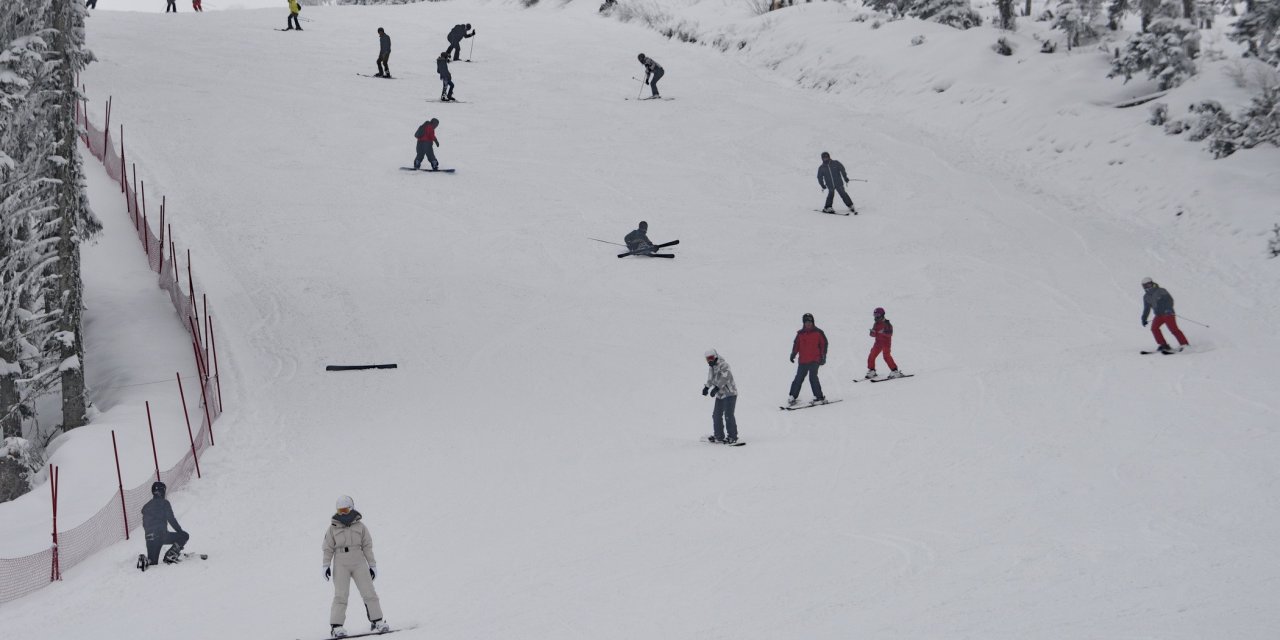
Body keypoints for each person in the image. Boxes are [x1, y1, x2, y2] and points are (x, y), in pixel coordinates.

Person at [323, 496, 390, 638]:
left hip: (359, 561)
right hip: (341, 563)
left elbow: (367, 546)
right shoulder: (333, 528)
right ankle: (336, 627)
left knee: (369, 592)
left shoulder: (360, 527)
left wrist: (372, 565)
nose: (342, 514)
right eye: (340, 511)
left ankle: (377, 621)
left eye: (345, 510)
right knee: (341, 595)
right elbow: (327, 548)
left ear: (351, 509)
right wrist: (326, 565)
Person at [138, 481, 189, 570]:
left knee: (153, 563)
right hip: (161, 535)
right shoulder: (164, 503)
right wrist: (180, 532)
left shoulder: (146, 506)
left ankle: (145, 561)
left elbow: (145, 525)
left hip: (149, 538)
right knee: (185, 536)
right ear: (162, 491)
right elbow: (171, 519)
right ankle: (171, 555)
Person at [788, 313, 828, 406]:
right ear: (804, 323)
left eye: (810, 322)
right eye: (806, 322)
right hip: (803, 360)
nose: (808, 323)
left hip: (815, 360)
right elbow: (796, 345)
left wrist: (823, 356)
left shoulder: (818, 332)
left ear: (813, 322)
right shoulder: (800, 334)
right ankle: (792, 396)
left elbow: (824, 344)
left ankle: (819, 397)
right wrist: (793, 354)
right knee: (798, 378)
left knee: (813, 377)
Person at [1141, 277, 1189, 353]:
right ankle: (1163, 345)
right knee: (1154, 328)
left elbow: (1170, 300)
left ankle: (1184, 344)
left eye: (1149, 284)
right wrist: (1144, 318)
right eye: (1145, 285)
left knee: (1173, 329)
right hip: (1158, 315)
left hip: (1168, 313)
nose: (1147, 287)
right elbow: (1146, 308)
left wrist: (1168, 309)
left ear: (1152, 283)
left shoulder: (1161, 290)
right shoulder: (1146, 296)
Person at [703, 350, 739, 444]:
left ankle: (732, 437)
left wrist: (716, 388)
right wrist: (706, 387)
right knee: (716, 415)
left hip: (730, 393)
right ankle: (718, 436)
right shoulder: (712, 367)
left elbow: (725, 378)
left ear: (715, 356)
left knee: (728, 415)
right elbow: (710, 378)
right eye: (707, 359)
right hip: (720, 395)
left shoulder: (724, 365)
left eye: (711, 358)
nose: (709, 361)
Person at [865, 307, 905, 379]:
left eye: (877, 315)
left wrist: (883, 332)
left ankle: (895, 371)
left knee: (886, 356)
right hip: (878, 343)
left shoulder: (887, 324)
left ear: (882, 315)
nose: (876, 317)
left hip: (886, 343)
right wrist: (872, 333)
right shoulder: (876, 324)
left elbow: (890, 334)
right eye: (875, 315)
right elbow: (873, 335)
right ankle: (872, 371)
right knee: (872, 355)